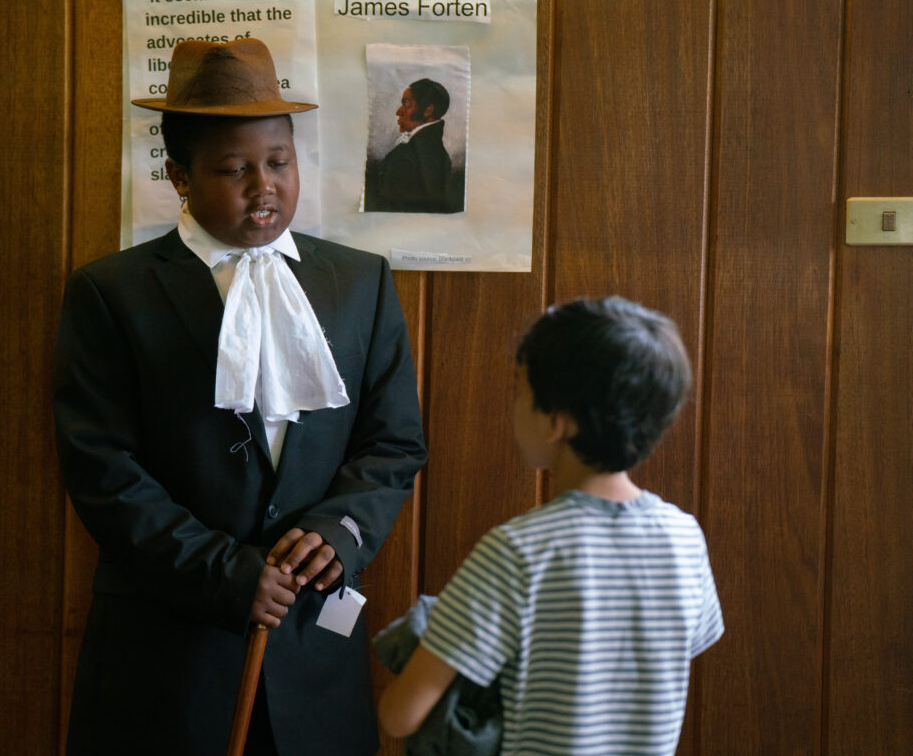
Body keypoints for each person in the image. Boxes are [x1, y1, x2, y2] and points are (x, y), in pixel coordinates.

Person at [53, 37, 426, 756]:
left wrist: (341, 534)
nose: (265, 186)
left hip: (315, 652)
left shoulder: (360, 282)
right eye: (234, 169)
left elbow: (394, 439)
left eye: (279, 163)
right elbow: (102, 470)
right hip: (168, 658)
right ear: (179, 175)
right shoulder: (111, 292)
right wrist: (224, 574)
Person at [377, 296, 723, 755]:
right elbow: (683, 645)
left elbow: (400, 715)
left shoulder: (518, 551)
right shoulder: (684, 538)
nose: (514, 404)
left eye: (519, 390)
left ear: (557, 422)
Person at [366, 77, 460, 213]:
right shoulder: (426, 149)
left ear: (428, 111)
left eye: (406, 103)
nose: (398, 111)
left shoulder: (415, 154)